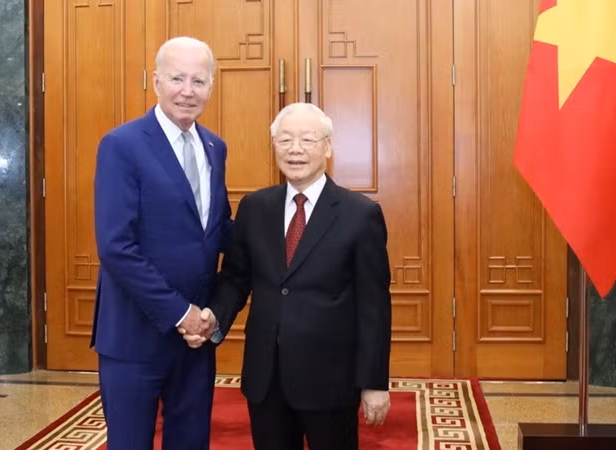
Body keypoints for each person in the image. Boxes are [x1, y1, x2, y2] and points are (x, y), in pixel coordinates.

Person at [185, 102, 392, 450]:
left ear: (327, 147)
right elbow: (236, 277)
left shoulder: (361, 214)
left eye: (308, 140)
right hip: (266, 378)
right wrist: (214, 317)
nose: (295, 150)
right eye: (285, 140)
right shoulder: (254, 207)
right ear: (275, 147)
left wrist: (374, 382)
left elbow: (374, 306)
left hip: (332, 380)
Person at [91, 36, 232, 449]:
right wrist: (179, 312)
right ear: (155, 81)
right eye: (177, 78)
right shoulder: (122, 145)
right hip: (134, 336)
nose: (188, 91)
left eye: (199, 81)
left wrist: (278, 236)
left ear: (211, 86)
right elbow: (116, 246)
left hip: (195, 340)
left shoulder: (215, 148)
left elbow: (217, 226)